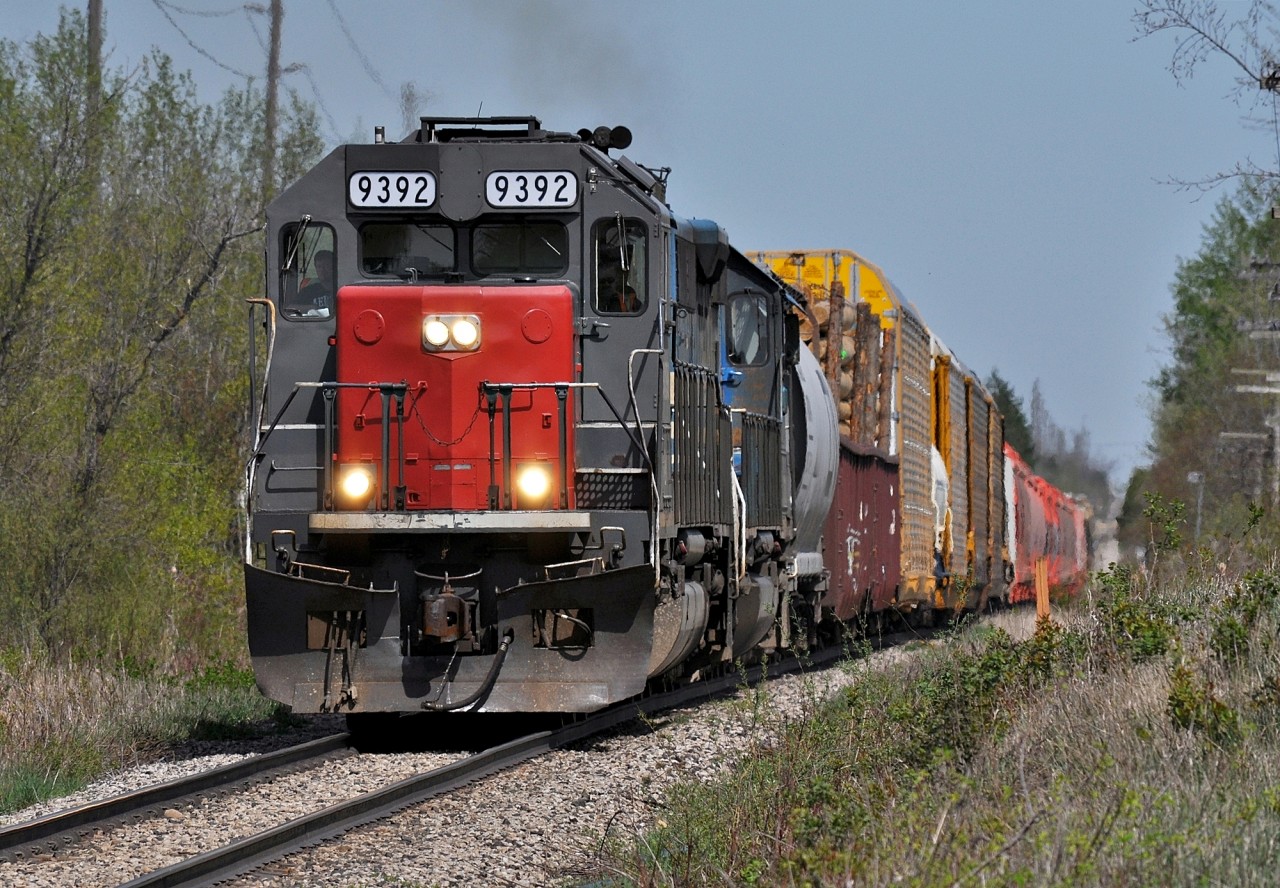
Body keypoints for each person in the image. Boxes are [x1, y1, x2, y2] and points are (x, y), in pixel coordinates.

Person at [298, 250, 335, 316]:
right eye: (319, 266)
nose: (322, 270)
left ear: (333, 267)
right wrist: (311, 308)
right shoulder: (309, 291)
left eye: (326, 266)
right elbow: (291, 308)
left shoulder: (341, 290)